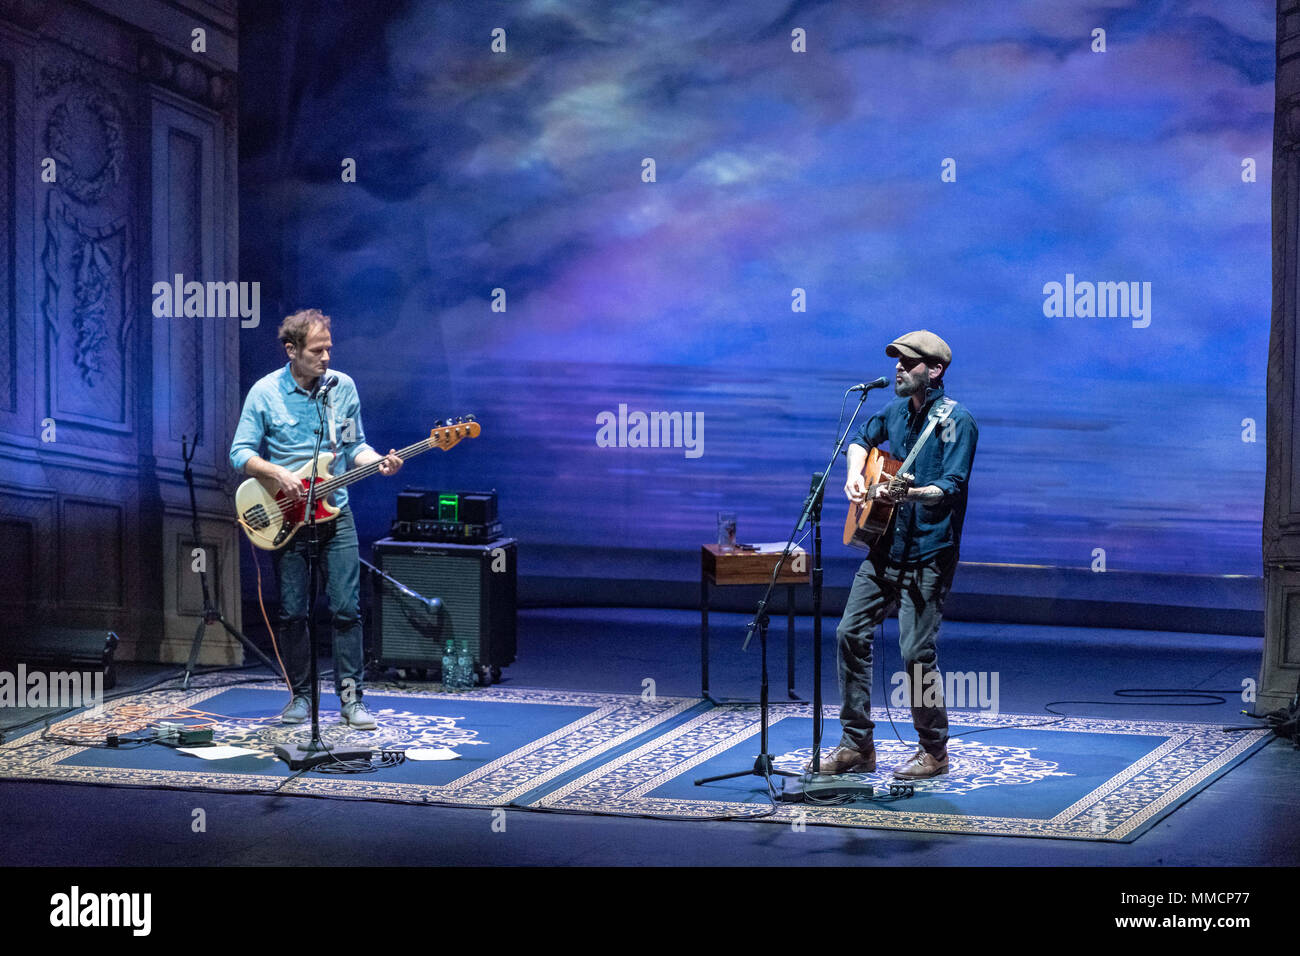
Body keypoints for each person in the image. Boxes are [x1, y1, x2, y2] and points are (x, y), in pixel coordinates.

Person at [229, 309, 403, 729]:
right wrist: (276, 472)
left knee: (347, 609)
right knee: (292, 613)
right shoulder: (265, 392)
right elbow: (239, 453)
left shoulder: (342, 388)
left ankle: (352, 699)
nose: (326, 357)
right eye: (317, 350)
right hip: (285, 519)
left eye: (329, 348)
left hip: (335, 514)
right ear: (292, 351)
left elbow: (354, 445)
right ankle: (301, 698)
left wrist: (377, 461)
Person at [816, 330, 978, 779]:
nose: (899, 369)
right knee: (849, 633)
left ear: (935, 370)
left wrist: (912, 493)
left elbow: (950, 487)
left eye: (908, 362)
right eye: (897, 361)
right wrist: (854, 476)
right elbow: (861, 439)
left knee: (914, 654)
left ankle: (934, 751)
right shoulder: (893, 411)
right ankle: (856, 745)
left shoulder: (955, 421)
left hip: (928, 554)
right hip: (885, 548)